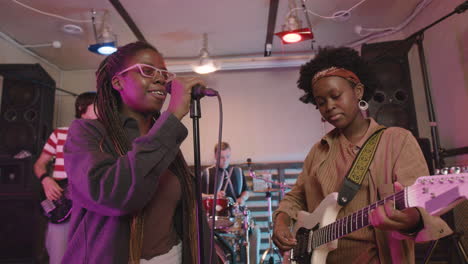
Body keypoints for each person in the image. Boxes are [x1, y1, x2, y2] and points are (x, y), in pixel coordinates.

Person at [272, 47, 452, 263]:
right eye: (321, 102)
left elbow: (421, 210)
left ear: (357, 91)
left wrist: (411, 219)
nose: (329, 106)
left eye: (336, 96)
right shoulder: (318, 151)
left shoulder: (397, 141)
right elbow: (296, 196)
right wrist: (281, 220)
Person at [61, 41, 211, 264]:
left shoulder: (163, 137)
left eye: (164, 73)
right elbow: (114, 195)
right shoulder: (86, 132)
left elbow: (187, 214)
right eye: (147, 70)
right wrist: (172, 117)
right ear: (117, 81)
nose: (161, 78)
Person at [33, 91, 97, 264]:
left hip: (92, 209)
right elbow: (39, 164)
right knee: (59, 257)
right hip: (63, 205)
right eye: (97, 105)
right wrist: (46, 179)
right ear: (82, 108)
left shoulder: (104, 139)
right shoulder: (60, 134)